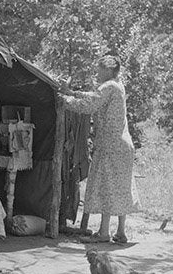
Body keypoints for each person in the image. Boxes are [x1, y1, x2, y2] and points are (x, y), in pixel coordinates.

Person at [59, 55, 140, 243]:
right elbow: (94, 96)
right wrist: (72, 92)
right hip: (123, 144)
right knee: (121, 187)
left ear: (109, 70)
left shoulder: (109, 86)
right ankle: (120, 232)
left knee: (107, 185)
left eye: (100, 69)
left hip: (110, 145)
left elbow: (90, 104)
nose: (97, 73)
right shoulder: (118, 86)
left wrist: (66, 99)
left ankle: (104, 233)